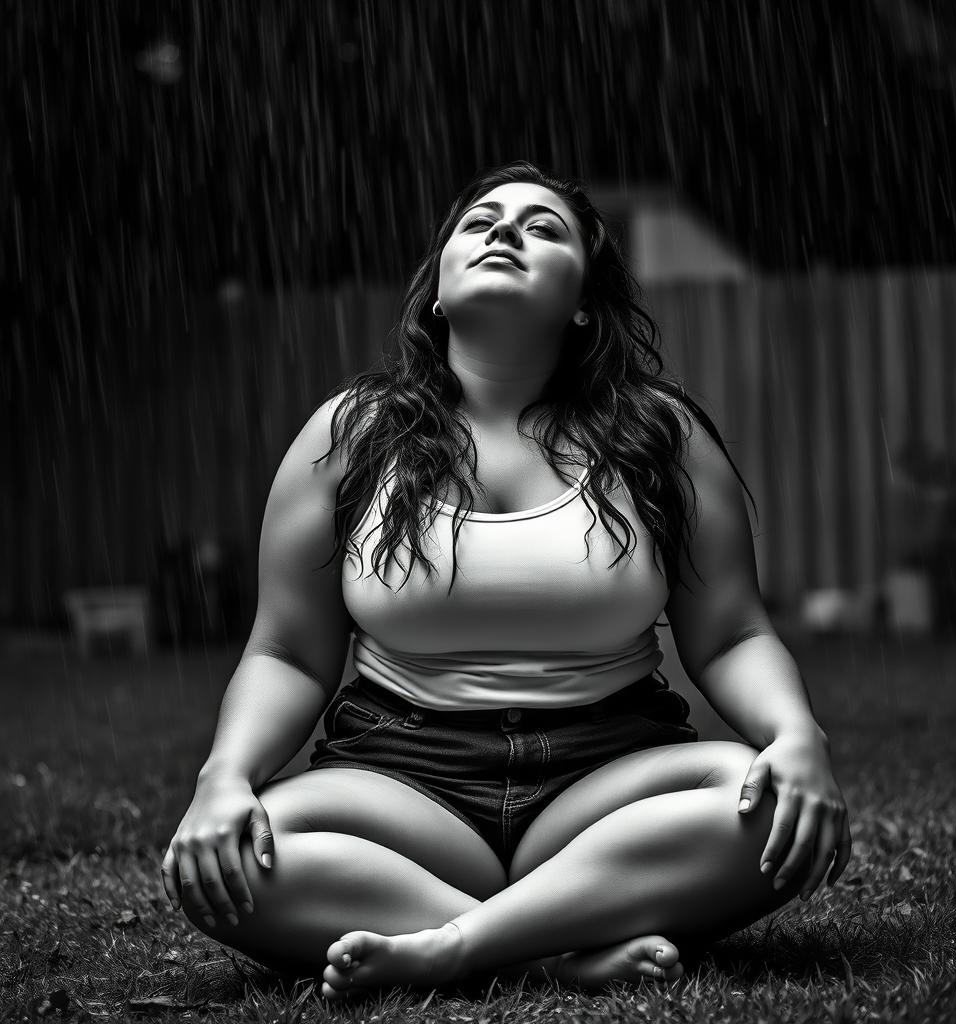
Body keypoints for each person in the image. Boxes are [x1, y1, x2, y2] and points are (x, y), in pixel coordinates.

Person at [161, 161, 852, 1001]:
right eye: (480, 220)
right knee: (232, 854)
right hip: (400, 779)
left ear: (583, 301)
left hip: (605, 778)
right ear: (439, 292)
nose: (503, 230)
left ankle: (454, 945)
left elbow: (734, 631)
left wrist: (795, 735)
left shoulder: (660, 435)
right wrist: (223, 778)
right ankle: (554, 948)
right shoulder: (351, 434)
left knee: (759, 806)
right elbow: (288, 651)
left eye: (544, 226)